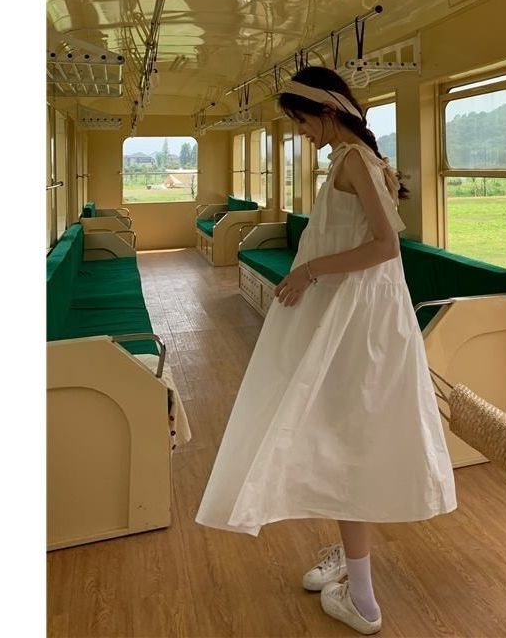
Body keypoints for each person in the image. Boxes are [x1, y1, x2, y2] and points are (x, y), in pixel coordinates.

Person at [195, 65, 458, 635]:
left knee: (344, 438)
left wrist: (309, 271)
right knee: (340, 432)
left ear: (328, 112)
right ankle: (349, 554)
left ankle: (362, 599)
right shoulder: (356, 160)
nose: (300, 131)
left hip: (356, 319)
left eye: (302, 121)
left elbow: (385, 247)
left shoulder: (354, 161)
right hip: (356, 314)